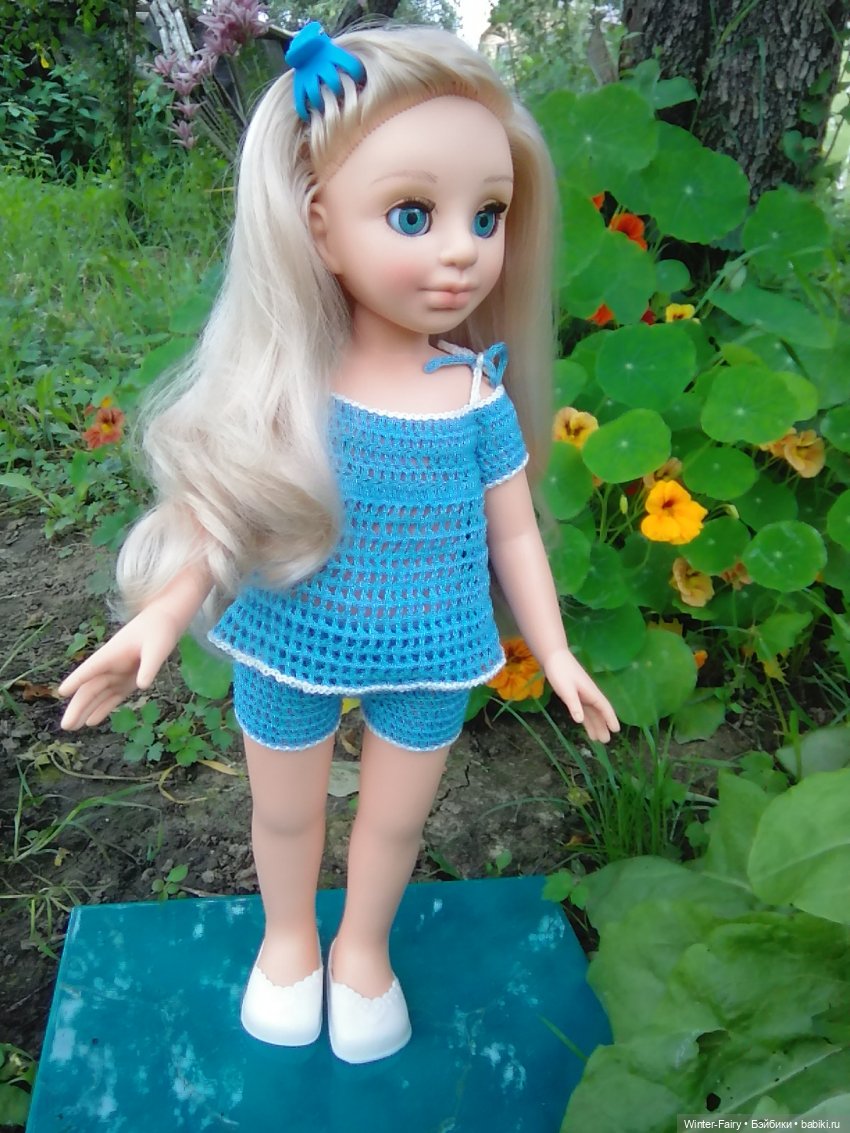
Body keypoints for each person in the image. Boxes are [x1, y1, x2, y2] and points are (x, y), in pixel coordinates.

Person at [59, 21, 620, 1065]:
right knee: (285, 817)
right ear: (317, 224)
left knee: (395, 823)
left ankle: (361, 949)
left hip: (433, 648)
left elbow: (512, 531)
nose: (461, 248)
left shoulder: (477, 397)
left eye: (488, 215)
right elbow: (230, 505)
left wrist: (556, 649)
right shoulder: (292, 390)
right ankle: (288, 941)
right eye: (413, 214)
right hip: (292, 631)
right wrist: (161, 618)